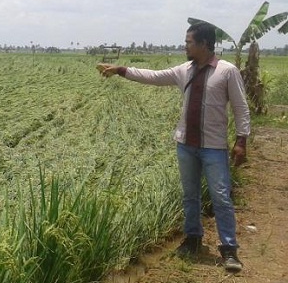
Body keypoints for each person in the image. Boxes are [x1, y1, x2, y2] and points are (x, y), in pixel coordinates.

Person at [97, 22, 250, 272]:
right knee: (190, 196)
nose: (185, 45)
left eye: (189, 41)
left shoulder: (227, 71)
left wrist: (241, 140)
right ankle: (192, 240)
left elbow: (241, 107)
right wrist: (121, 70)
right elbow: (153, 76)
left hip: (214, 147)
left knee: (221, 197)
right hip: (185, 146)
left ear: (203, 44)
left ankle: (229, 250)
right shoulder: (184, 71)